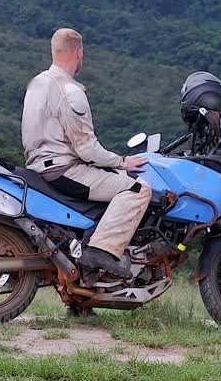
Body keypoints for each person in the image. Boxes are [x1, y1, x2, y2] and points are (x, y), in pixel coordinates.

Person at [21, 28, 151, 279]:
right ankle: (101, 252)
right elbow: (87, 148)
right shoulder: (70, 91)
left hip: (39, 165)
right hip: (63, 168)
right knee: (137, 189)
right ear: (79, 53)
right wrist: (123, 162)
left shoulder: (38, 82)